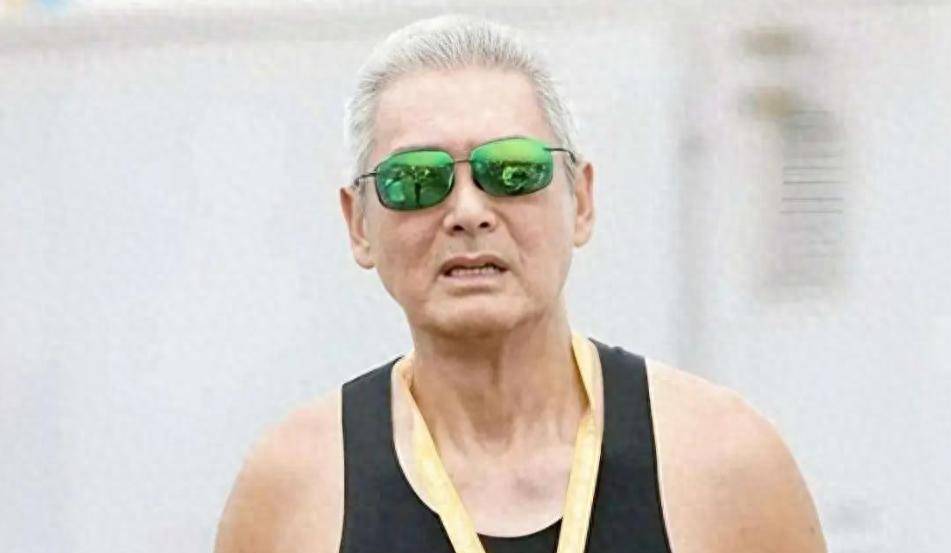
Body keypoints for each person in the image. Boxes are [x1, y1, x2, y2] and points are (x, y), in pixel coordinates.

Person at [214, 14, 827, 553]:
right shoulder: (295, 488)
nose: (467, 211)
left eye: (513, 170)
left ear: (581, 200)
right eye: (417, 179)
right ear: (359, 225)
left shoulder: (724, 464)